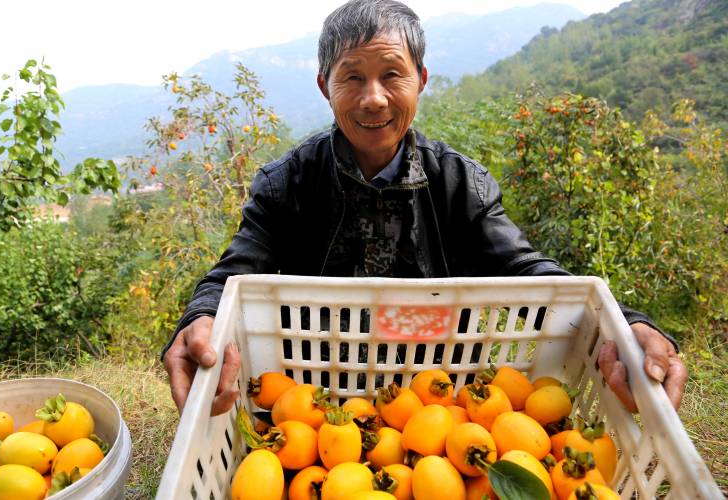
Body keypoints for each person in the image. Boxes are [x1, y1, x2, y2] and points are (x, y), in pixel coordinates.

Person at [162, 0, 687, 417]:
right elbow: (233, 274)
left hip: (439, 401)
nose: (374, 98)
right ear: (325, 86)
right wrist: (200, 318)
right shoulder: (286, 184)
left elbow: (530, 270)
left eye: (392, 74)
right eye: (352, 77)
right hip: (310, 404)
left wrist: (626, 325)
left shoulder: (460, 183)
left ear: (421, 80)